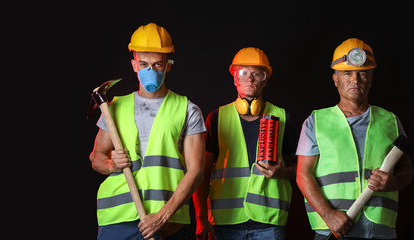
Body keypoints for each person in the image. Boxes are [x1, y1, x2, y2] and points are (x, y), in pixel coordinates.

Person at [89, 23, 206, 240]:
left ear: (168, 66)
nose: (149, 71)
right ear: (134, 65)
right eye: (143, 64)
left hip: (165, 222)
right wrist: (111, 164)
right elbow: (96, 157)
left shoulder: (187, 110)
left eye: (157, 65)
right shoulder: (114, 107)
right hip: (116, 220)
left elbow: (196, 171)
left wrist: (162, 216)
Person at [295, 38, 413, 240]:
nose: (355, 80)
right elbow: (302, 175)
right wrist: (328, 215)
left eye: (363, 73)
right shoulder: (316, 122)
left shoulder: (390, 121)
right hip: (333, 230)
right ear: (335, 79)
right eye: (347, 73)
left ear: (371, 77)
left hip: (379, 230)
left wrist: (393, 182)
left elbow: (407, 170)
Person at [193, 47, 299, 240]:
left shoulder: (282, 117)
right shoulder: (217, 118)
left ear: (265, 79)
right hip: (225, 224)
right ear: (235, 78)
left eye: (256, 74)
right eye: (243, 73)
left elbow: (301, 169)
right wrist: (201, 219)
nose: (249, 79)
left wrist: (283, 172)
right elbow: (201, 173)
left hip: (269, 223)